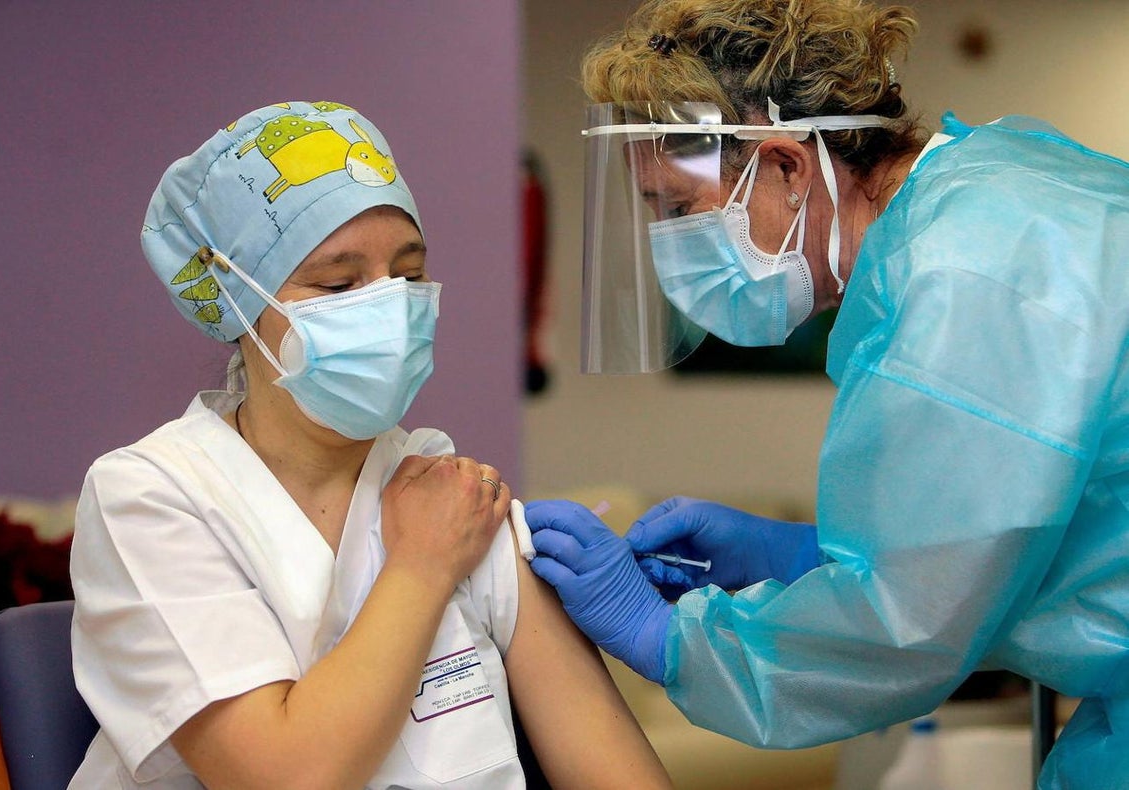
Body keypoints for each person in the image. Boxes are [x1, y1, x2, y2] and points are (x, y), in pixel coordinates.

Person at [522, 2, 1129, 788]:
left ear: (784, 166)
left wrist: (668, 637)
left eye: (678, 210)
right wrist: (805, 556)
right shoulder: (998, 187)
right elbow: (1028, 523)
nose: (670, 246)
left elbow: (903, 634)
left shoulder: (963, 275)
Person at [68, 100, 672, 789]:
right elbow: (285, 777)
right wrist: (421, 567)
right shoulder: (151, 499)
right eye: (338, 283)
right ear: (237, 298)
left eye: (409, 276)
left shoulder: (451, 491)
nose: (389, 307)